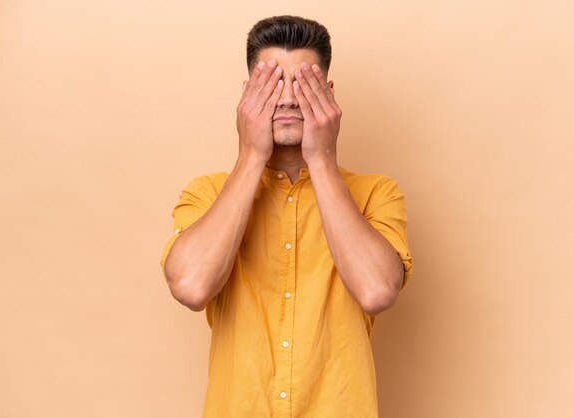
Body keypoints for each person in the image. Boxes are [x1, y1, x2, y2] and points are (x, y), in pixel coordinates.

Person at [160, 15, 414, 417]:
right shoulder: (207, 194)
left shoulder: (376, 193)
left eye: (303, 84)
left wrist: (322, 159)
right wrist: (251, 156)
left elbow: (377, 291)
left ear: (328, 93)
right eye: (273, 83)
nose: (289, 99)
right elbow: (191, 286)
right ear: (247, 95)